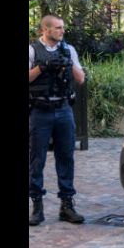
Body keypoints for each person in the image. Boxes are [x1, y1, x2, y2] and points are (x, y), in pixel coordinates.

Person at [29, 15, 86, 226]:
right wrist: (42, 67)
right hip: (40, 110)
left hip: (63, 109)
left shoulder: (68, 49)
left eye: (63, 27)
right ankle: (37, 206)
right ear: (46, 30)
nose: (62, 31)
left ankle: (67, 206)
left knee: (66, 157)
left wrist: (68, 63)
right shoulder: (32, 50)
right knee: (37, 159)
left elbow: (80, 79)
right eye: (58, 28)